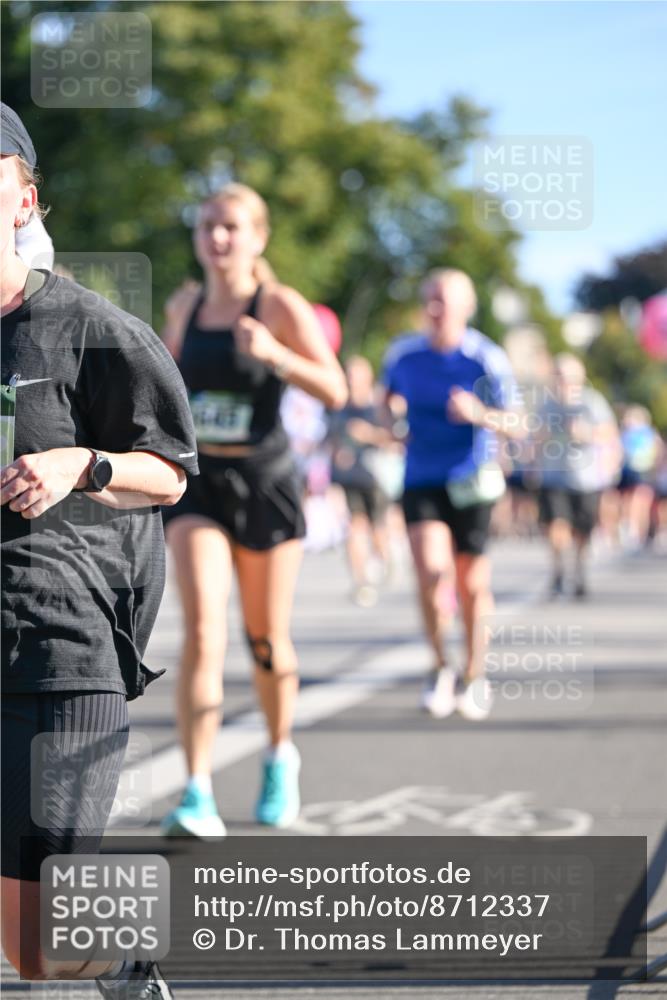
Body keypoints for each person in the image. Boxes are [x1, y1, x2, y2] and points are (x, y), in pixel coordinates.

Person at [1, 103, 198, 997]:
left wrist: (82, 462)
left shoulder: (87, 328)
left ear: (23, 197)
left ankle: (124, 963)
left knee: (39, 952)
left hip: (60, 657)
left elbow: (170, 474)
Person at [159, 183, 347, 837]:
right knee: (204, 631)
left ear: (257, 237)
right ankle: (196, 789)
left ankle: (277, 753)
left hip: (266, 484)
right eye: (207, 225)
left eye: (230, 227)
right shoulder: (183, 305)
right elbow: (166, 395)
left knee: (265, 639)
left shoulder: (278, 304)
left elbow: (334, 386)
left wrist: (277, 355)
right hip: (202, 486)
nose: (216, 238)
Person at [382, 268, 521, 721]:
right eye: (430, 300)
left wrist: (480, 413)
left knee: (472, 585)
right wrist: (391, 419)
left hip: (471, 481)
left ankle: (475, 674)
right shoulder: (404, 355)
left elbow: (519, 423)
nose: (436, 309)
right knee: (430, 573)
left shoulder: (485, 358)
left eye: (445, 301)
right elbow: (385, 401)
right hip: (422, 476)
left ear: (467, 307)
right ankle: (440, 666)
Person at [535, 353, 620, 597]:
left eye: (566, 376)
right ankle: (558, 571)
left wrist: (586, 433)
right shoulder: (547, 404)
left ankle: (579, 570)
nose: (562, 382)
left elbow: (609, 432)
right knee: (555, 524)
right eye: (558, 376)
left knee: (582, 531)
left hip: (585, 477)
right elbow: (534, 436)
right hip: (553, 476)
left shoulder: (591, 402)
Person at [328, 355, 396, 607]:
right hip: (347, 477)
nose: (352, 381)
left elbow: (394, 440)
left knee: (377, 526)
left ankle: (385, 557)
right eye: (349, 376)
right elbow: (330, 438)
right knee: (354, 526)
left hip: (375, 477)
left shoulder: (377, 406)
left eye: (357, 376)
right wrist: (337, 452)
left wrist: (368, 435)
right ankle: (361, 581)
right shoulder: (338, 406)